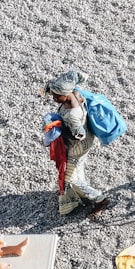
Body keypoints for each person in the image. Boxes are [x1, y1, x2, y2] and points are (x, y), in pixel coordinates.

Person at [43, 69, 113, 216]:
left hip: (78, 145)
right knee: (77, 168)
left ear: (65, 94)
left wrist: (57, 127)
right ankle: (79, 196)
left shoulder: (73, 114)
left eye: (56, 96)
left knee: (70, 177)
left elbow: (77, 136)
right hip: (88, 139)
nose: (54, 98)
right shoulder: (75, 93)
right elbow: (52, 88)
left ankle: (100, 199)